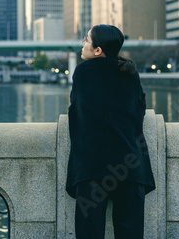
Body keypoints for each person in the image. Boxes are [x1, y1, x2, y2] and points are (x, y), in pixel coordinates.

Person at [66, 24, 156, 239]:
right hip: (130, 163)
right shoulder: (130, 72)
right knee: (130, 232)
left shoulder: (83, 71)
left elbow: (75, 112)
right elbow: (139, 110)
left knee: (89, 233)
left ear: (98, 50)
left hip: (92, 167)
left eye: (87, 40)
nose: (83, 44)